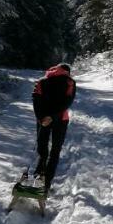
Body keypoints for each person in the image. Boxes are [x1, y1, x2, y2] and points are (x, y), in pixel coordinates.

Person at [31, 62, 75, 192]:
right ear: (68, 72)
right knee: (55, 150)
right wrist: (53, 116)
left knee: (42, 145)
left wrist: (41, 118)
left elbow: (35, 100)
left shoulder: (41, 81)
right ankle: (47, 182)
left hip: (43, 119)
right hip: (60, 119)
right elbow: (67, 102)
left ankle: (39, 173)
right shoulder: (70, 82)